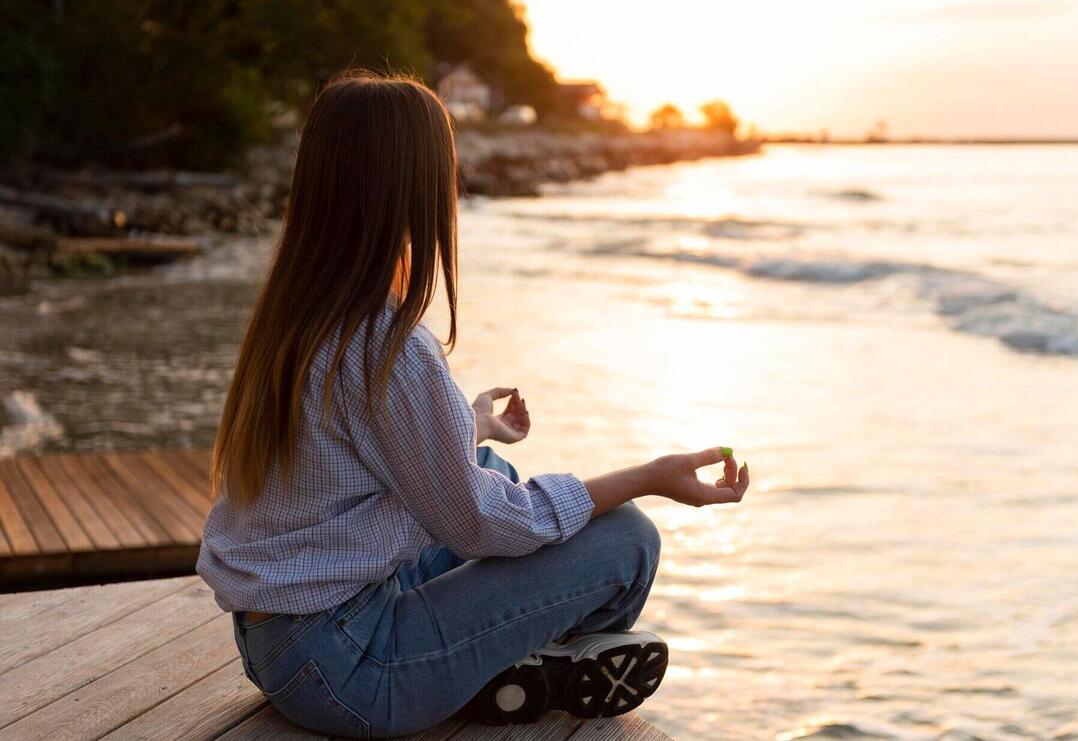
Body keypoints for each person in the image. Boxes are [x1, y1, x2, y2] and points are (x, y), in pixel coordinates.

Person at [196, 71, 750, 739]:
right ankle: (531, 664)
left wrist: (471, 422)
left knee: (493, 464)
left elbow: (351, 459)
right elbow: (482, 523)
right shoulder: (384, 344)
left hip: (276, 642)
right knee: (626, 539)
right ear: (416, 191)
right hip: (352, 670)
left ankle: (504, 661)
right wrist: (649, 478)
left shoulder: (295, 310)